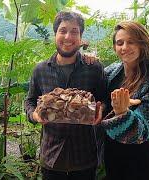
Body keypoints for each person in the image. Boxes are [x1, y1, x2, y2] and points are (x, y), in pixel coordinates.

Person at [24, 11, 107, 180]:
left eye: (74, 31)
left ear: (81, 37)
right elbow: (30, 101)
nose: (68, 37)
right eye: (62, 31)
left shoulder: (94, 68)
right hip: (51, 157)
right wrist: (34, 114)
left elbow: (104, 99)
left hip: (85, 157)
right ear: (55, 34)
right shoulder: (40, 70)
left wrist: (101, 109)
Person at [99, 21, 149, 180]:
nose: (124, 47)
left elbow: (143, 132)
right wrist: (89, 61)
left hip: (141, 161)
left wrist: (122, 113)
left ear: (142, 44)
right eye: (119, 43)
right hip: (112, 156)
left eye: (131, 42)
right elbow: (96, 96)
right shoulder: (110, 73)